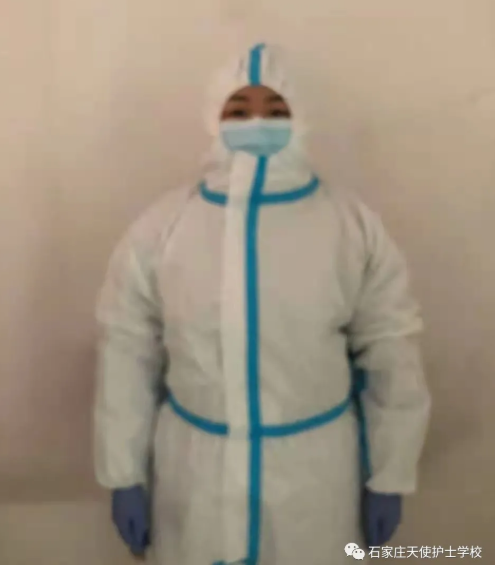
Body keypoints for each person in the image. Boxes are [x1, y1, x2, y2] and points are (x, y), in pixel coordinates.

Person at [94, 43, 431, 565]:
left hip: (313, 481)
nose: (257, 123)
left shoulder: (347, 225)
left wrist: (390, 473)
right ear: (214, 119)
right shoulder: (164, 228)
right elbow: (127, 347)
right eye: (238, 110)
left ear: (300, 119)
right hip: (196, 479)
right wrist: (124, 472)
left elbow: (390, 349)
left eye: (275, 109)